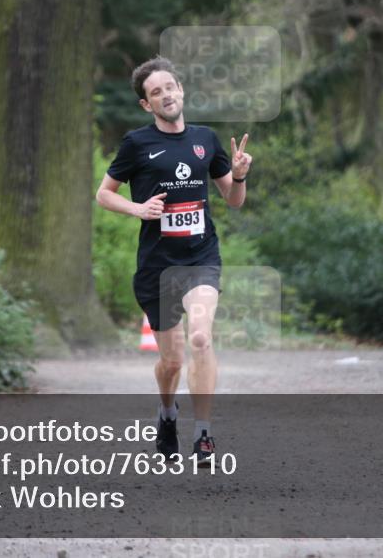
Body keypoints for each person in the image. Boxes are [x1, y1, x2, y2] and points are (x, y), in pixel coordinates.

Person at [95, 56, 252, 465]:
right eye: (156, 92)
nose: (166, 95)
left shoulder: (206, 139)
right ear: (147, 105)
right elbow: (104, 193)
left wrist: (237, 175)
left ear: (181, 90)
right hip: (157, 266)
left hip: (201, 256)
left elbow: (233, 201)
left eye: (171, 86)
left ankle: (203, 435)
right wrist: (137, 209)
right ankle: (167, 413)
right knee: (171, 361)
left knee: (201, 338)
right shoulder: (136, 144)